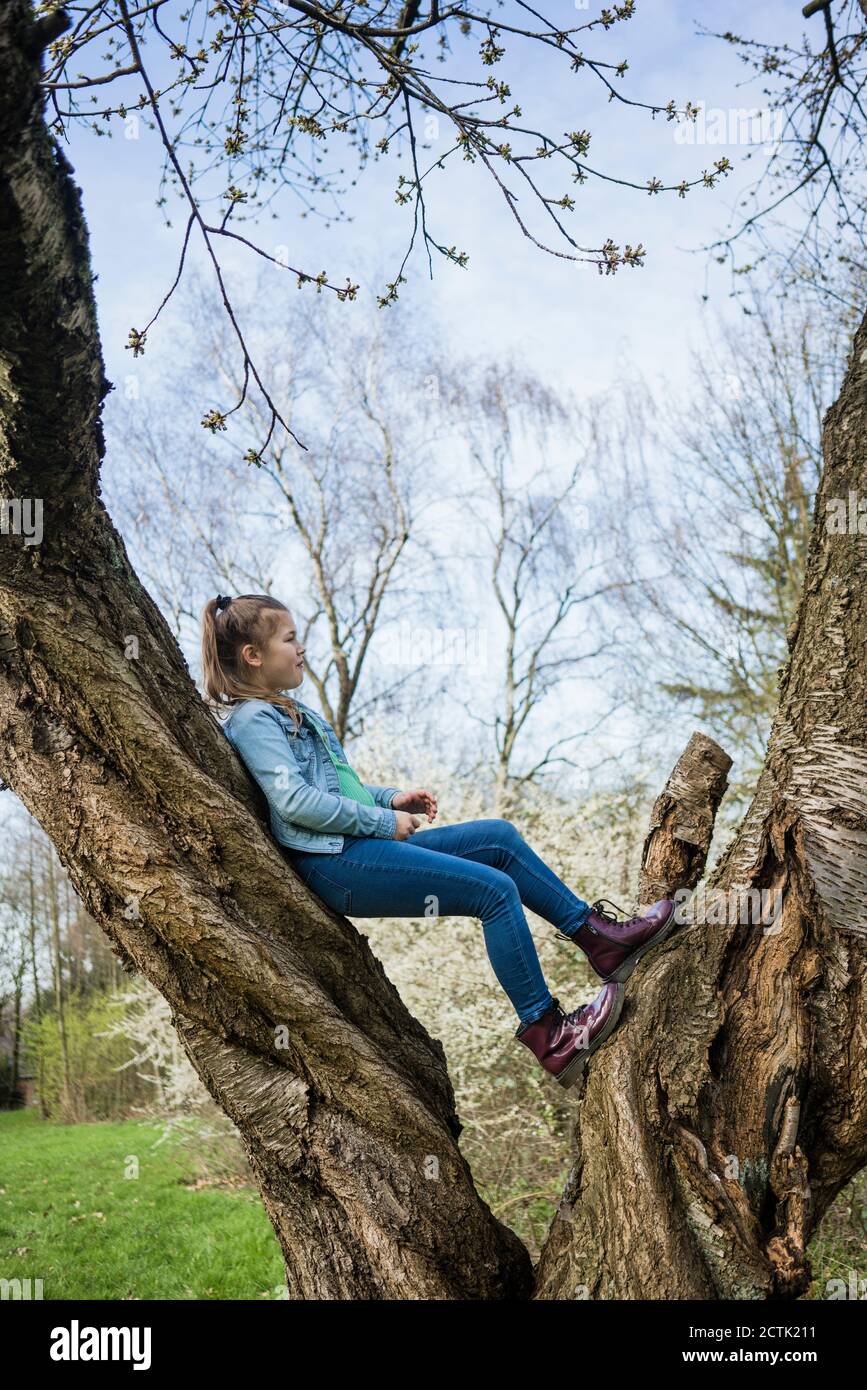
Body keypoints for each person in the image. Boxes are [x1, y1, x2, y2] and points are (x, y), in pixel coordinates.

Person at [200, 592, 676, 1090]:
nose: (301, 649)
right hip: (336, 862)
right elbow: (295, 803)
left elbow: (339, 787)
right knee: (494, 892)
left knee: (498, 837)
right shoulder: (255, 720)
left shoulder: (293, 711)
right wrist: (383, 825)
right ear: (253, 655)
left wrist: (389, 800)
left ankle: (600, 942)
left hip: (357, 845)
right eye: (290, 639)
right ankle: (550, 1033)